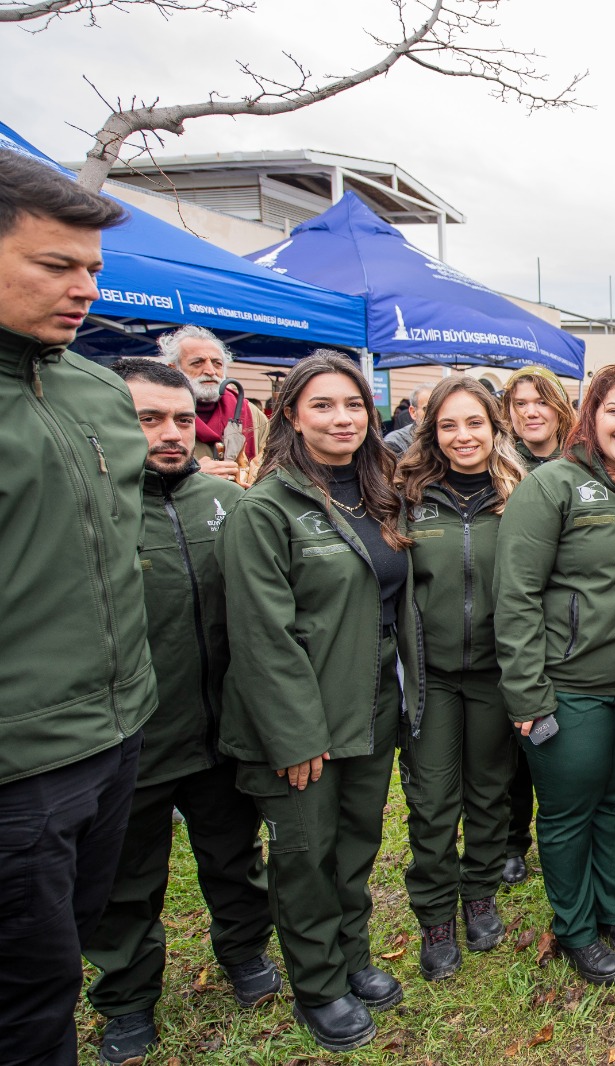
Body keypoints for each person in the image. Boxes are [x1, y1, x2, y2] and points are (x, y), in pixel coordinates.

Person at [0, 151, 157, 1066]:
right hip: (19, 764)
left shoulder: (96, 392)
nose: (86, 289)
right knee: (29, 996)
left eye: (94, 269)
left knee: (70, 942)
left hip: (119, 734)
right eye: (58, 266)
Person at [218, 351, 421, 1053]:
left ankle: (351, 956)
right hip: (301, 724)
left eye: (353, 406)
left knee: (355, 847)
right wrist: (296, 736)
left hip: (370, 708)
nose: (341, 419)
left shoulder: (379, 495)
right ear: (292, 416)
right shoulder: (266, 509)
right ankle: (317, 985)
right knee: (306, 855)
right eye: (323, 406)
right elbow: (261, 637)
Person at [84, 360, 278, 1064]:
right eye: (148, 419)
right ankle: (128, 997)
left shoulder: (224, 503)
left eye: (181, 418)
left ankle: (246, 951)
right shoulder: (95, 506)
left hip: (223, 729)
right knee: (127, 879)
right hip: (133, 734)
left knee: (234, 856)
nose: (171, 434)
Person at [495, 361, 615, 986]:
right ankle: (574, 925)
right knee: (569, 808)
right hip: (567, 686)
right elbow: (516, 595)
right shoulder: (553, 486)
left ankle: (613, 906)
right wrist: (526, 693)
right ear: (590, 416)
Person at [394, 375, 525, 980]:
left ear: (495, 426)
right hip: (433, 676)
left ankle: (479, 896)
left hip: (495, 674)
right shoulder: (405, 494)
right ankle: (434, 916)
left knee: (489, 792)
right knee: (432, 799)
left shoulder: (519, 495)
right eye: (449, 424)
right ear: (432, 431)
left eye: (474, 422)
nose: (462, 435)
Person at [497, 364, 577, 884]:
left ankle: (555, 827)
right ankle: (511, 838)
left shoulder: (577, 467)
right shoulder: (494, 464)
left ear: (560, 409)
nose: (531, 411)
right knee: (508, 745)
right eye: (521, 402)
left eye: (541, 401)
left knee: (550, 737)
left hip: (564, 627)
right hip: (507, 615)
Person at [157, 324, 268, 482]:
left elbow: (274, 461)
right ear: (173, 369)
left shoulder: (250, 413)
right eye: (197, 363)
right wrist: (190, 474)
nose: (210, 371)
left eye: (217, 363)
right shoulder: (155, 415)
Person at [383, 384, 432, 453]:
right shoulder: (395, 442)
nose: (434, 414)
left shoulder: (448, 438)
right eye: (427, 409)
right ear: (413, 412)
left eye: (439, 409)